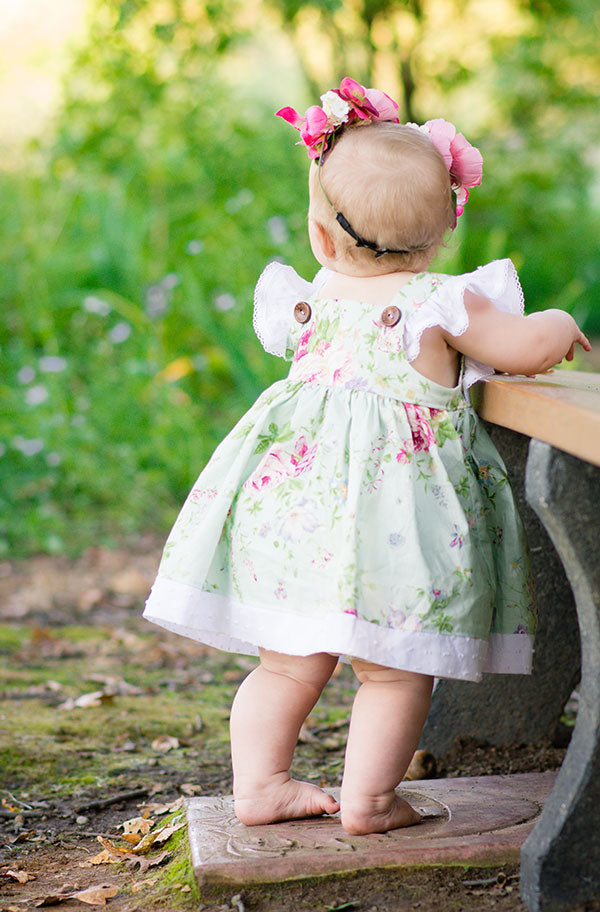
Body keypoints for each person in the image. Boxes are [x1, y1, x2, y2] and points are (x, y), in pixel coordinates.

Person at [143, 78, 590, 836]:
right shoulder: (441, 306)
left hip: (295, 517)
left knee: (284, 663)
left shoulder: (305, 300)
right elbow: (526, 348)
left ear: (321, 238)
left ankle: (261, 785)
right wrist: (560, 318)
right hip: (398, 531)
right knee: (393, 673)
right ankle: (371, 801)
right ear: (445, 228)